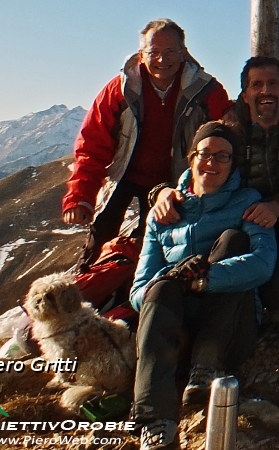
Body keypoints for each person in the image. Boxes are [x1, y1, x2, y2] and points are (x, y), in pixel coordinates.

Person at [152, 57, 279, 362]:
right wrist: (162, 193)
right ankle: (243, 320)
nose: (266, 91)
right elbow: (198, 171)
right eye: (257, 85)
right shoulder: (229, 131)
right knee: (278, 292)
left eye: (273, 83)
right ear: (245, 93)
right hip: (249, 225)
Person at [129, 122, 275, 450]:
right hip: (176, 332)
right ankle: (157, 428)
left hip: (229, 328)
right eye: (205, 154)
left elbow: (263, 263)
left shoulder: (247, 203)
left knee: (233, 241)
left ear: (233, 163)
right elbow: (138, 292)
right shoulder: (162, 214)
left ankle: (205, 369)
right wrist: (175, 279)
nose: (212, 163)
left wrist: (207, 278)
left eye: (222, 156)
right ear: (191, 158)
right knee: (159, 288)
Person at [63, 20, 233, 270]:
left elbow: (228, 130)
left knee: (153, 247)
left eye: (170, 52)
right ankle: (86, 291)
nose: (162, 60)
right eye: (154, 52)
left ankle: (138, 298)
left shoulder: (205, 90)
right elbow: (92, 145)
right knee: (99, 239)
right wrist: (80, 198)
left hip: (171, 181)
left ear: (183, 53)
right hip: (122, 176)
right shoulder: (119, 90)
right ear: (142, 55)